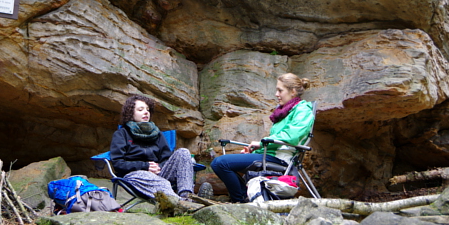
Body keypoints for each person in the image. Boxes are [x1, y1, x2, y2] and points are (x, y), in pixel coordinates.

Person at [211, 73, 314, 203]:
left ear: (293, 91)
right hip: (270, 155)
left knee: (220, 163)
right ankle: (245, 198)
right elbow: (275, 141)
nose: (276, 94)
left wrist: (260, 144)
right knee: (220, 163)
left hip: (281, 159)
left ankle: (242, 200)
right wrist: (254, 151)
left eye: (280, 90)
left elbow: (291, 137)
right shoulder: (285, 111)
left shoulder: (303, 110)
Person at [110, 95, 195, 200]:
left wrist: (158, 167)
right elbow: (118, 163)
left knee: (183, 152)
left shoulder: (157, 134)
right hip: (135, 175)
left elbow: (166, 158)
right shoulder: (122, 134)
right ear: (131, 113)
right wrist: (145, 166)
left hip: (159, 173)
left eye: (147, 110)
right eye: (140, 109)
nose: (146, 112)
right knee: (153, 179)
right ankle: (178, 202)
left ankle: (187, 196)